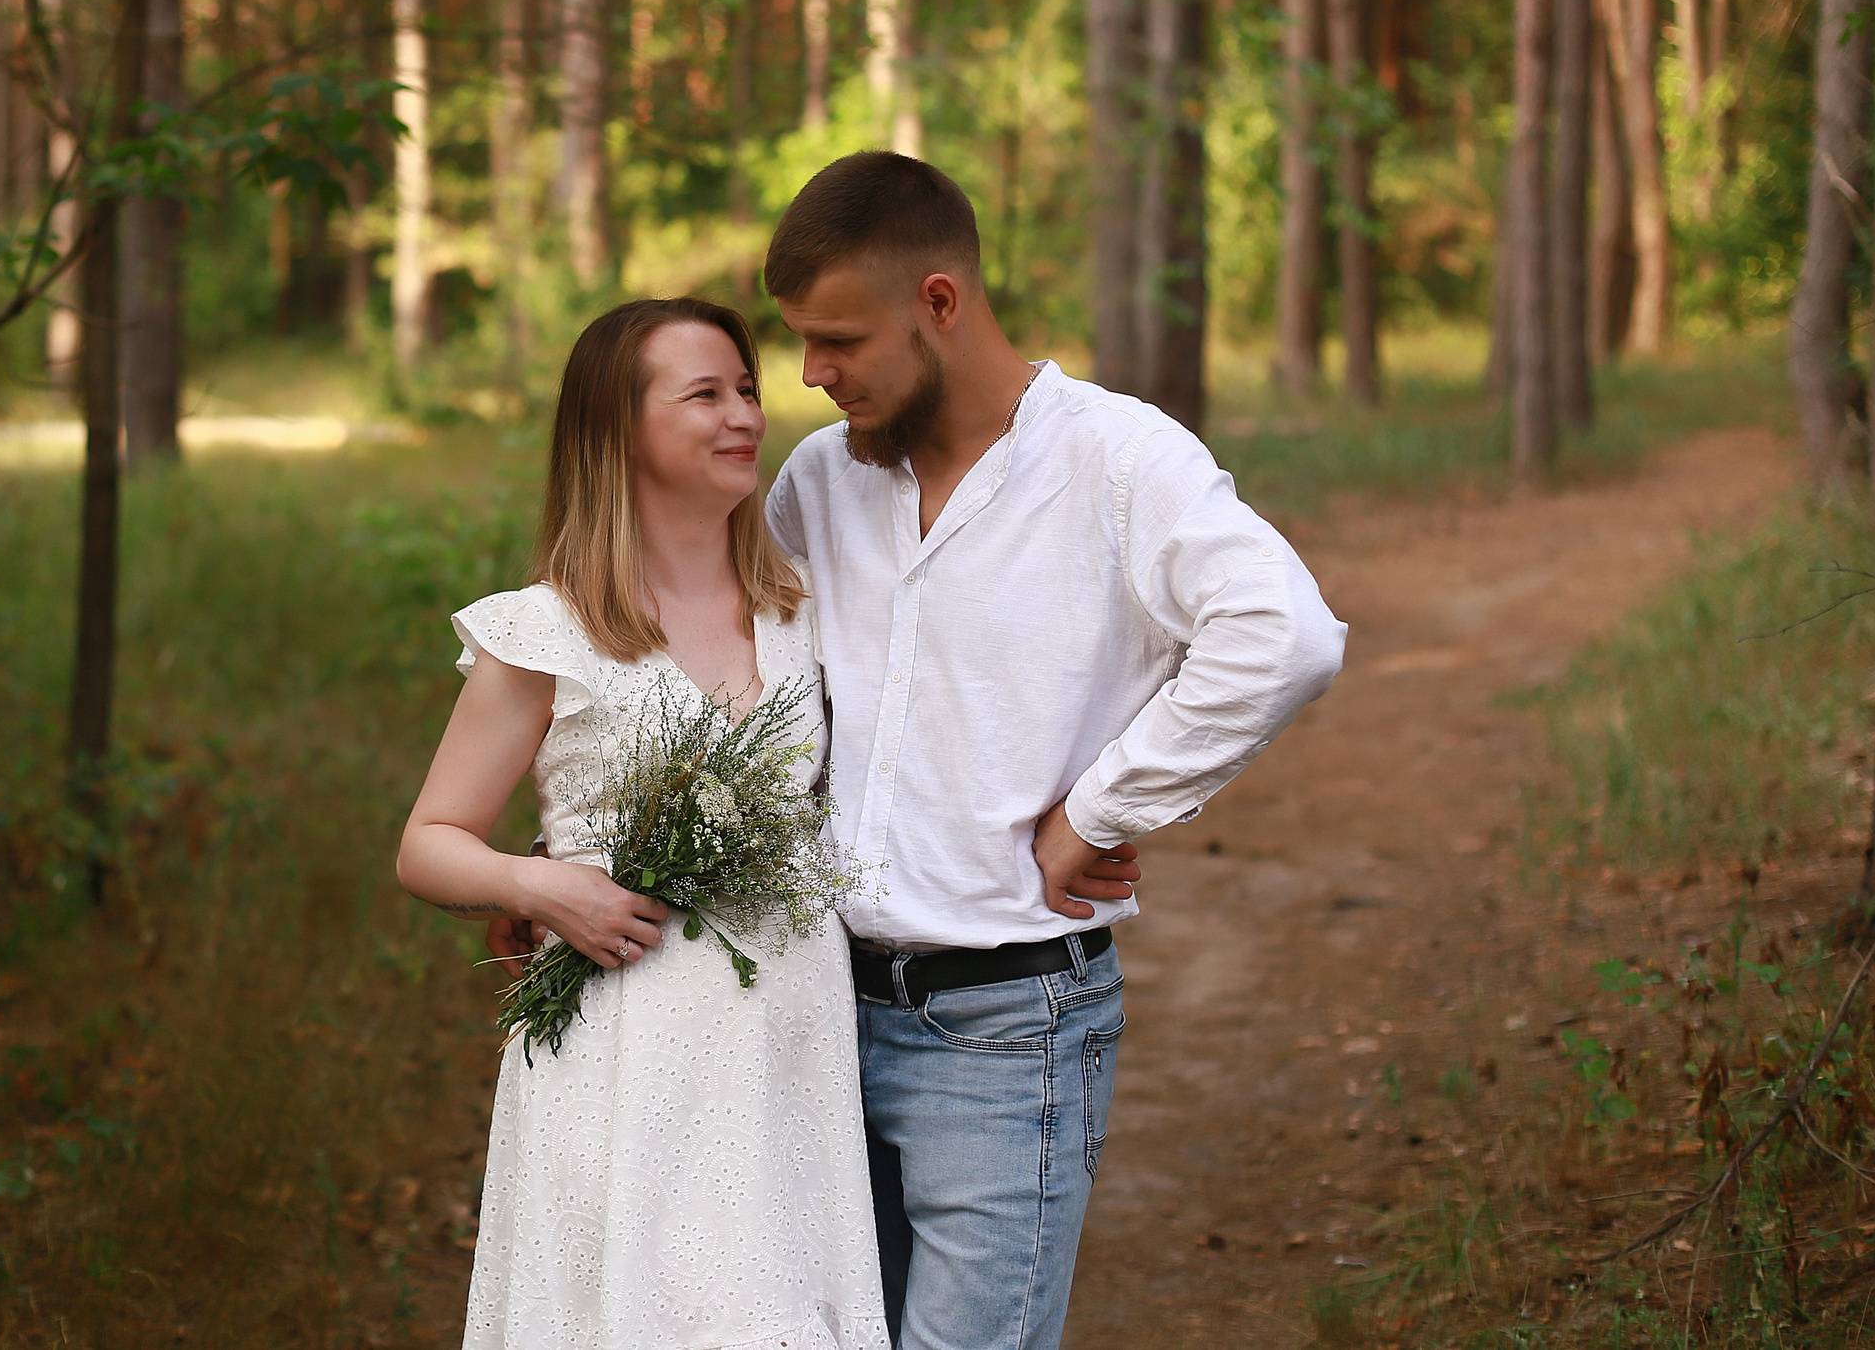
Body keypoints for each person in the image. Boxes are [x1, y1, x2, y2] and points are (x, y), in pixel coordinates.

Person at [759, 151, 1348, 1350]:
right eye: (801, 344)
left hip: (1006, 1024)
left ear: (938, 301)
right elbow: (734, 686)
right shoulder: (819, 479)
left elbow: (1281, 633)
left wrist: (1105, 803)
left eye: (836, 341)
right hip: (812, 1014)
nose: (812, 376)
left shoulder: (1118, 461)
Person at [396, 298, 888, 1350]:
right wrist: (539, 886)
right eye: (703, 393)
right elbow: (429, 839)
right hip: (627, 1042)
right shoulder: (547, 629)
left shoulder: (797, 606)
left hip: (786, 1034)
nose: (744, 414)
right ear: (617, 428)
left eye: (747, 388)